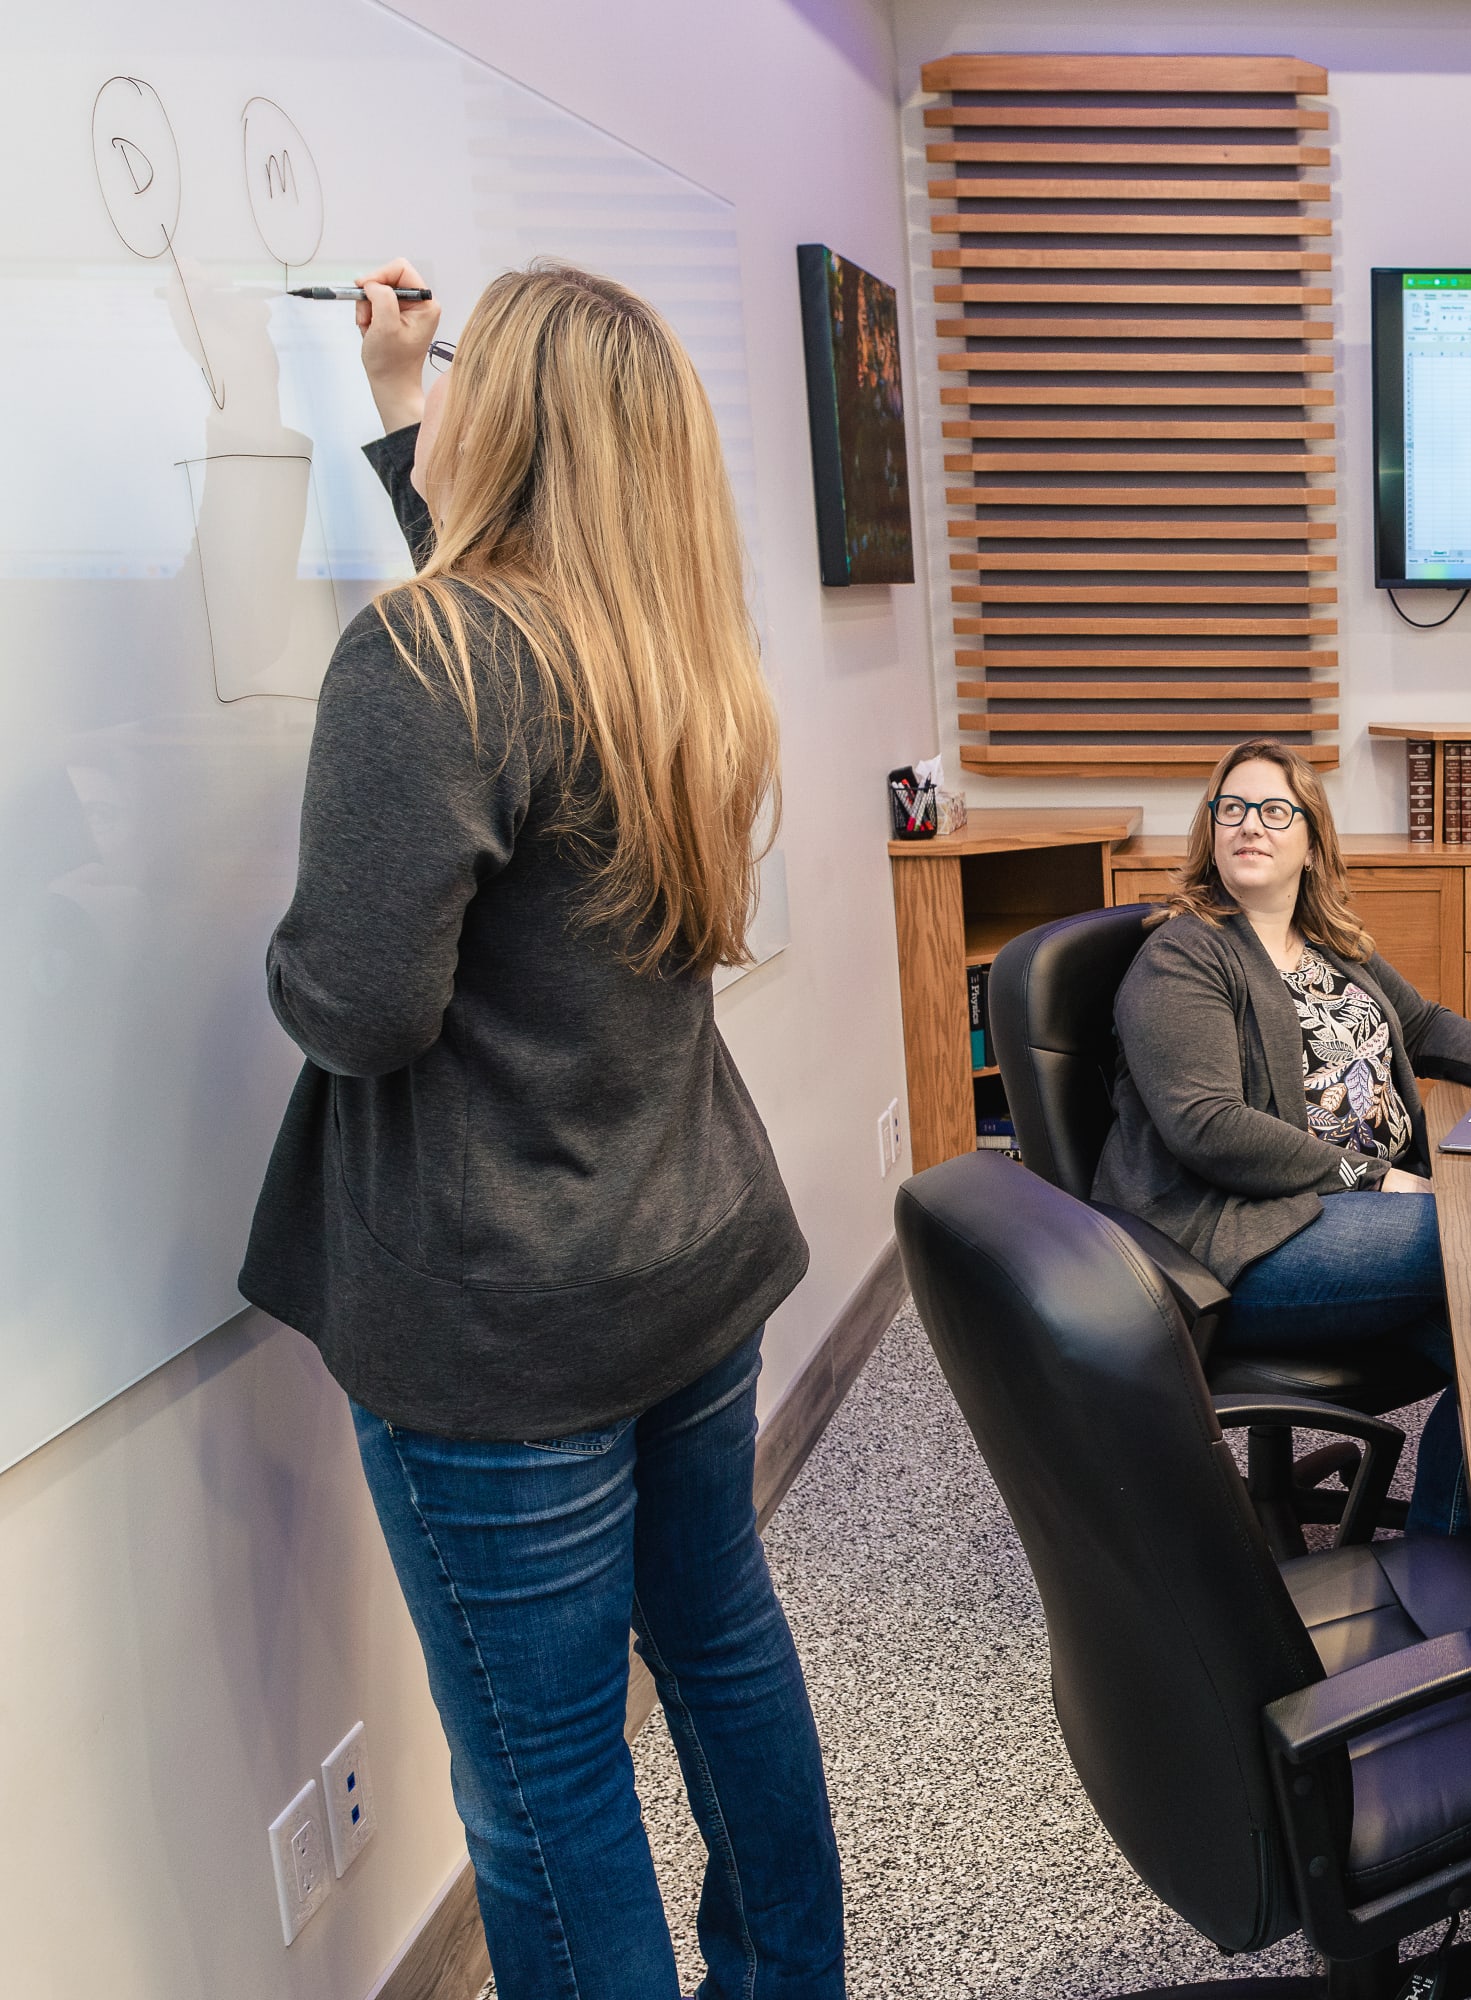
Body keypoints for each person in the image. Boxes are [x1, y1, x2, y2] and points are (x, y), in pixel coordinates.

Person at [240, 261, 842, 1998]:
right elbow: (497, 679)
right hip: (684, 1255)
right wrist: (389, 407)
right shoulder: (680, 664)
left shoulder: (423, 660)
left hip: (511, 1307)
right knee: (722, 1644)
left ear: (504, 428)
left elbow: (357, 1004)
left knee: (544, 1773)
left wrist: (274, 941)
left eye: (462, 386)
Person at [1094, 739, 1471, 1533]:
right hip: (1232, 1234)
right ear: (1211, 832)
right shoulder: (1182, 955)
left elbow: (1419, 1024)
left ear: (1311, 841)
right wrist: (1373, 1178)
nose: (1252, 825)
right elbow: (1208, 1128)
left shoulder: (1325, 947)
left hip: (1341, 1220)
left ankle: (1447, 1562)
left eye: (1275, 811)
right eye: (1234, 809)